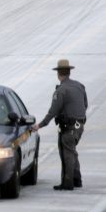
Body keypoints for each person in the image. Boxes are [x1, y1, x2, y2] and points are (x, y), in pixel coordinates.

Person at [32, 59, 88, 191]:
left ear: (58, 74)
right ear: (69, 72)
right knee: (72, 150)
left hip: (68, 127)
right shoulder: (80, 86)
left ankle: (67, 183)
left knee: (67, 153)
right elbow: (85, 105)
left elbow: (53, 111)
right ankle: (77, 179)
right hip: (79, 125)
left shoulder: (61, 91)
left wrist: (39, 125)